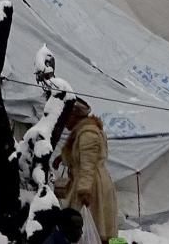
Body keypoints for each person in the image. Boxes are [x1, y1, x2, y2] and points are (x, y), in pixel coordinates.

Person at [54, 98, 118, 243]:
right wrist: (62, 158)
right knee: (93, 228)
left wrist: (84, 192)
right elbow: (80, 155)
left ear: (74, 116)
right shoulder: (84, 132)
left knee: (88, 226)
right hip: (91, 181)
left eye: (67, 117)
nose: (65, 122)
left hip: (91, 185)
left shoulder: (88, 133)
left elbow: (87, 164)